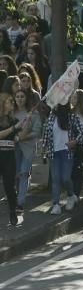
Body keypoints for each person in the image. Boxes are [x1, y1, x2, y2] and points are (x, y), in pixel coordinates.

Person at [41, 102, 83, 214]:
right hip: (53, 152)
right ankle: (56, 204)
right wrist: (43, 149)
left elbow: (82, 131)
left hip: (67, 151)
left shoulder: (72, 116)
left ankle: (71, 195)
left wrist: (75, 141)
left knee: (66, 178)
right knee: (55, 179)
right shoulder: (51, 116)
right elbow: (46, 133)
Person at [0, 94, 20, 226]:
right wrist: (13, 129)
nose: (12, 104)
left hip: (9, 156)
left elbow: (18, 138)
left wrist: (24, 125)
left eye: (12, 102)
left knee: (9, 186)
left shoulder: (14, 120)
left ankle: (13, 211)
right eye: (9, 102)